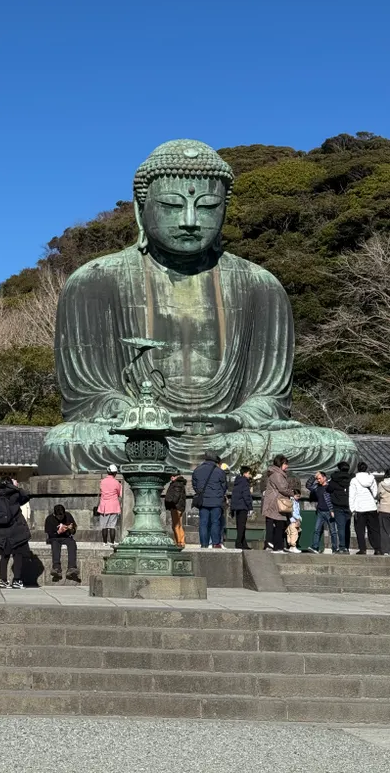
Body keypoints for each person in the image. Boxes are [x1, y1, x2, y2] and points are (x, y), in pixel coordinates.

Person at [37, 139, 357, 479]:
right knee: (66, 444)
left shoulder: (261, 286)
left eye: (206, 207)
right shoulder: (94, 281)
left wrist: (238, 418)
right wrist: (135, 412)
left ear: (223, 211)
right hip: (140, 432)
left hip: (231, 436)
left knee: (336, 448)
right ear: (141, 209)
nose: (189, 220)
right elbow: (89, 397)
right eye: (172, 205)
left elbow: (270, 399)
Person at [0, 477, 32, 589]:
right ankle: (17, 580)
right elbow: (26, 497)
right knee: (17, 555)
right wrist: (16, 487)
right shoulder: (15, 493)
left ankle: (3, 580)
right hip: (16, 530)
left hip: (2, 530)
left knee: (4, 556)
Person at [192, 451, 227, 549]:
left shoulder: (197, 470)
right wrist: (219, 495)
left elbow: (195, 485)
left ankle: (204, 544)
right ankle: (215, 543)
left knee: (203, 523)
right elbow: (224, 486)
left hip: (203, 501)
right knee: (215, 522)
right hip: (216, 501)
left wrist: (200, 493)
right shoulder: (219, 471)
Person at [261, 455, 292, 552]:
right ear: (280, 464)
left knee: (276, 524)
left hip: (274, 502)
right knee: (279, 525)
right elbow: (283, 489)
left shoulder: (276, 473)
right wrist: (292, 493)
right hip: (275, 503)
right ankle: (277, 546)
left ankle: (273, 545)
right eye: (285, 464)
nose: (287, 466)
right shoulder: (277, 475)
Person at [349, 461, 380, 555]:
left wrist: (352, 508)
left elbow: (352, 495)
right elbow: (375, 492)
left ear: (358, 469)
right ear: (366, 469)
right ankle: (377, 548)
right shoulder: (372, 478)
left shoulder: (354, 480)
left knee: (360, 530)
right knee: (374, 529)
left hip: (360, 508)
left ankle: (362, 549)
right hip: (371, 507)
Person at [44, 504, 81, 582]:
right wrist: (58, 532)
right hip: (54, 538)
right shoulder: (49, 519)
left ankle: (72, 567)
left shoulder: (68, 516)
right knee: (55, 545)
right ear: (55, 515)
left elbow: (73, 531)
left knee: (72, 543)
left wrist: (71, 529)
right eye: (59, 517)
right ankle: (56, 568)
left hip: (66, 537)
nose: (61, 518)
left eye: (62, 516)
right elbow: (49, 534)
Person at [306, 471, 339, 554]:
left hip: (329, 512)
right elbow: (308, 486)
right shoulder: (317, 486)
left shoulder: (329, 487)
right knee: (317, 530)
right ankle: (315, 547)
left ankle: (335, 549)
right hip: (320, 511)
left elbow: (333, 499)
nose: (318, 480)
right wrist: (314, 476)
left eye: (320, 478)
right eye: (317, 479)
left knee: (333, 531)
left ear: (324, 478)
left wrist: (332, 510)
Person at [328, 461, 353, 554]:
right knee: (347, 527)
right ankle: (346, 547)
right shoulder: (351, 479)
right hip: (348, 505)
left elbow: (329, 489)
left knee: (340, 527)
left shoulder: (334, 479)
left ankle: (342, 547)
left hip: (337, 505)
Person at [97, 464, 122, 545]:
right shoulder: (116, 482)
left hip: (104, 506)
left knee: (104, 526)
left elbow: (100, 491)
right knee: (112, 526)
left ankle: (104, 542)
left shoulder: (102, 481)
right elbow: (120, 493)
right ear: (115, 473)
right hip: (114, 506)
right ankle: (112, 542)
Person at [230, 466, 253, 550]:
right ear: (245, 473)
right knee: (242, 526)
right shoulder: (245, 482)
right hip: (243, 506)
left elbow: (234, 495)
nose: (249, 475)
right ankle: (238, 542)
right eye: (249, 473)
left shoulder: (237, 482)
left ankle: (243, 543)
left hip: (237, 506)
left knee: (239, 525)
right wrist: (250, 507)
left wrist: (232, 508)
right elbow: (246, 495)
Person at [164, 475, 187, 548]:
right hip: (180, 507)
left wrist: (169, 502)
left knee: (176, 525)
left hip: (176, 507)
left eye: (173, 476)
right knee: (179, 525)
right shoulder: (180, 483)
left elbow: (176, 496)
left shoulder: (176, 484)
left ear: (177, 476)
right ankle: (181, 541)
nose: (171, 477)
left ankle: (179, 542)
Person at [285, 487, 303, 553]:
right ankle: (293, 546)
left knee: (290, 533)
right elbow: (293, 512)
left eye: (299, 496)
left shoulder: (294, 501)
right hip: (293, 520)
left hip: (291, 520)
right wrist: (299, 518)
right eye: (297, 496)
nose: (298, 497)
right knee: (294, 533)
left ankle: (290, 546)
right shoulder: (293, 502)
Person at [377, 470, 390, 556]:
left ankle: (385, 550)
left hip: (384, 509)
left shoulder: (381, 484)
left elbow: (378, 495)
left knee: (384, 531)